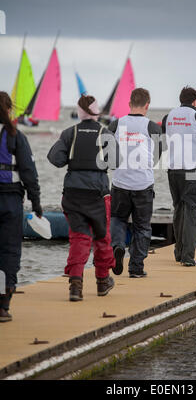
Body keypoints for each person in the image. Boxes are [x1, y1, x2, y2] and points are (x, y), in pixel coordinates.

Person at [47, 95, 117, 301]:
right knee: (102, 237)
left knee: (79, 238)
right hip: (98, 194)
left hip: (73, 194)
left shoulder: (70, 133)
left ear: (79, 112)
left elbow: (55, 159)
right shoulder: (106, 133)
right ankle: (102, 281)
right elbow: (116, 162)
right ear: (97, 112)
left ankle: (75, 285)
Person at [108, 88, 162, 278]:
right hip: (143, 184)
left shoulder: (115, 125)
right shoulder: (153, 127)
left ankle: (117, 246)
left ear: (129, 103)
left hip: (120, 183)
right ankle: (136, 268)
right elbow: (158, 156)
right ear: (147, 105)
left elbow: (107, 155)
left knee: (117, 219)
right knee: (142, 227)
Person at [162, 87, 196, 267]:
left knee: (178, 208)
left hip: (173, 168)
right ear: (195, 101)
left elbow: (163, 139)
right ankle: (188, 256)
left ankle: (178, 252)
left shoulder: (168, 116)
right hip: (193, 169)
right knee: (191, 210)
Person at [0, 91, 42, 322]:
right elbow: (29, 173)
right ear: (9, 110)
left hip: (9, 199)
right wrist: (36, 203)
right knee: (9, 252)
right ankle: (3, 304)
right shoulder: (15, 136)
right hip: (9, 202)